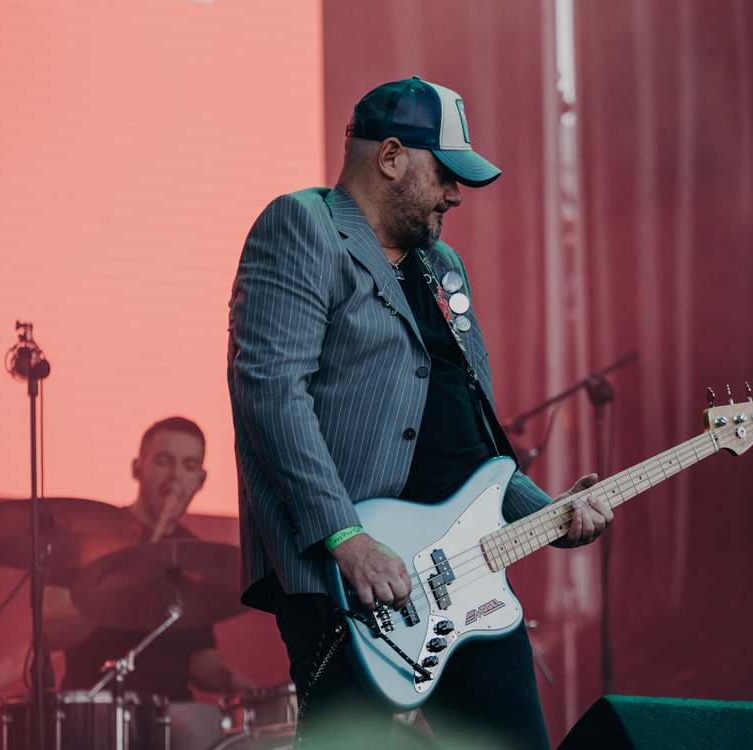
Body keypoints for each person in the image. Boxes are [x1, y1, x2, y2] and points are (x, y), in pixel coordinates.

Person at [227, 77, 612, 750]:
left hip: (464, 578)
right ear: (393, 157)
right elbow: (271, 391)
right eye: (446, 175)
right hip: (350, 578)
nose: (456, 195)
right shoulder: (301, 226)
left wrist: (546, 512)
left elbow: (470, 433)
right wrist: (347, 540)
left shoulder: (443, 266)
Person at [43, 417, 255, 750]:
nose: (175, 476)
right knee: (202, 726)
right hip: (94, 712)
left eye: (189, 465)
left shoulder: (194, 558)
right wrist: (118, 588)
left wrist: (254, 692)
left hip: (171, 713)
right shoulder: (89, 537)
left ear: (200, 480)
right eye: (163, 461)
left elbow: (202, 664)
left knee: (229, 732)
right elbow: (49, 629)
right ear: (136, 468)